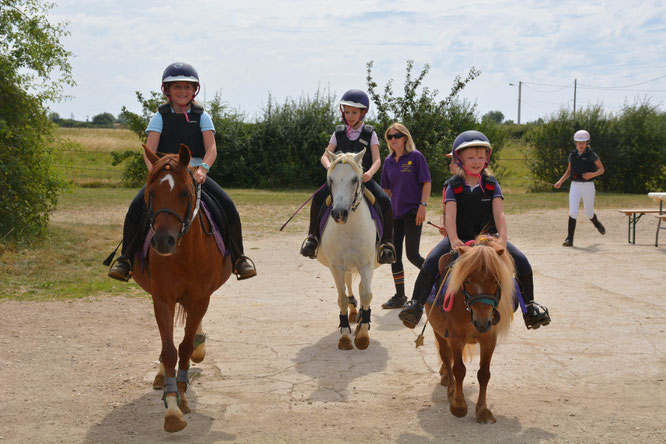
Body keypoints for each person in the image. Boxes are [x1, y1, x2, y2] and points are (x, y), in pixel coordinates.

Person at [108, 62, 256, 281]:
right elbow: (149, 150)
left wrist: (203, 169)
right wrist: (154, 175)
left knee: (229, 207)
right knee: (134, 210)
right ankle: (126, 260)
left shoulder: (203, 116)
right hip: (164, 174)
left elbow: (211, 149)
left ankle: (238, 259)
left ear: (194, 90)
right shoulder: (159, 117)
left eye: (187, 87)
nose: (182, 91)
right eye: (177, 86)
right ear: (167, 90)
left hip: (194, 173)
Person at [398, 130, 551, 330]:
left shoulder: (492, 184)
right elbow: (450, 216)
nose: (476, 161)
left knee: (521, 261)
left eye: (481, 156)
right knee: (431, 261)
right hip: (460, 238)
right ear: (459, 159)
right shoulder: (453, 186)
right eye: (470, 157)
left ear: (487, 159)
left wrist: (502, 239)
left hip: (490, 238)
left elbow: (500, 214)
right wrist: (452, 239)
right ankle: (416, 305)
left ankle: (530, 308)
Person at [299, 89, 396, 264]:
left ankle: (387, 244)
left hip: (363, 180)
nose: (350, 116)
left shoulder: (370, 133)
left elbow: (377, 160)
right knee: (317, 199)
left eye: (354, 112)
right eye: (347, 112)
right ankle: (312, 238)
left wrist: (369, 173)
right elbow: (325, 155)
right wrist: (330, 169)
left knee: (385, 202)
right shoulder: (338, 133)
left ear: (362, 113)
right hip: (339, 181)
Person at [379, 123, 432, 309]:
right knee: (395, 255)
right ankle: (400, 296)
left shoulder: (416, 157)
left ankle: (437, 280)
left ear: (405, 138)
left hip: (413, 212)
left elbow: (426, 182)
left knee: (412, 254)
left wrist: (422, 206)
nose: (393, 139)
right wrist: (380, 209)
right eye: (390, 137)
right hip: (394, 214)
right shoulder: (388, 161)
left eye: (396, 135)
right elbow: (385, 189)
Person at [554, 129, 606, 246]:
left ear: (587, 143)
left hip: (588, 186)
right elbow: (568, 172)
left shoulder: (592, 155)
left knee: (589, 213)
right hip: (575, 186)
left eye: (583, 142)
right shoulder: (572, 155)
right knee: (573, 211)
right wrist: (560, 182)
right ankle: (570, 239)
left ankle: (596, 223)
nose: (581, 145)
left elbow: (601, 169)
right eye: (578, 142)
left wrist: (592, 175)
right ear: (576, 143)